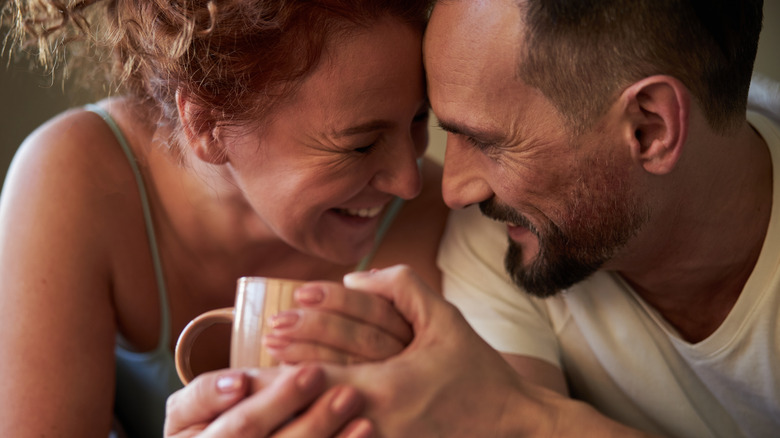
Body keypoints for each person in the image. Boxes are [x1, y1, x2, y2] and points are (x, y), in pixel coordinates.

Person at [167, 0, 779, 436]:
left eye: (486, 140)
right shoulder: (503, 239)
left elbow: (506, 417)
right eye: (442, 131)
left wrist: (524, 418)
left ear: (650, 128)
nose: (446, 188)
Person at [0, 0, 448, 436]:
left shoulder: (433, 219)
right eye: (361, 145)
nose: (408, 182)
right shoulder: (76, 177)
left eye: (418, 119)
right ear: (207, 123)